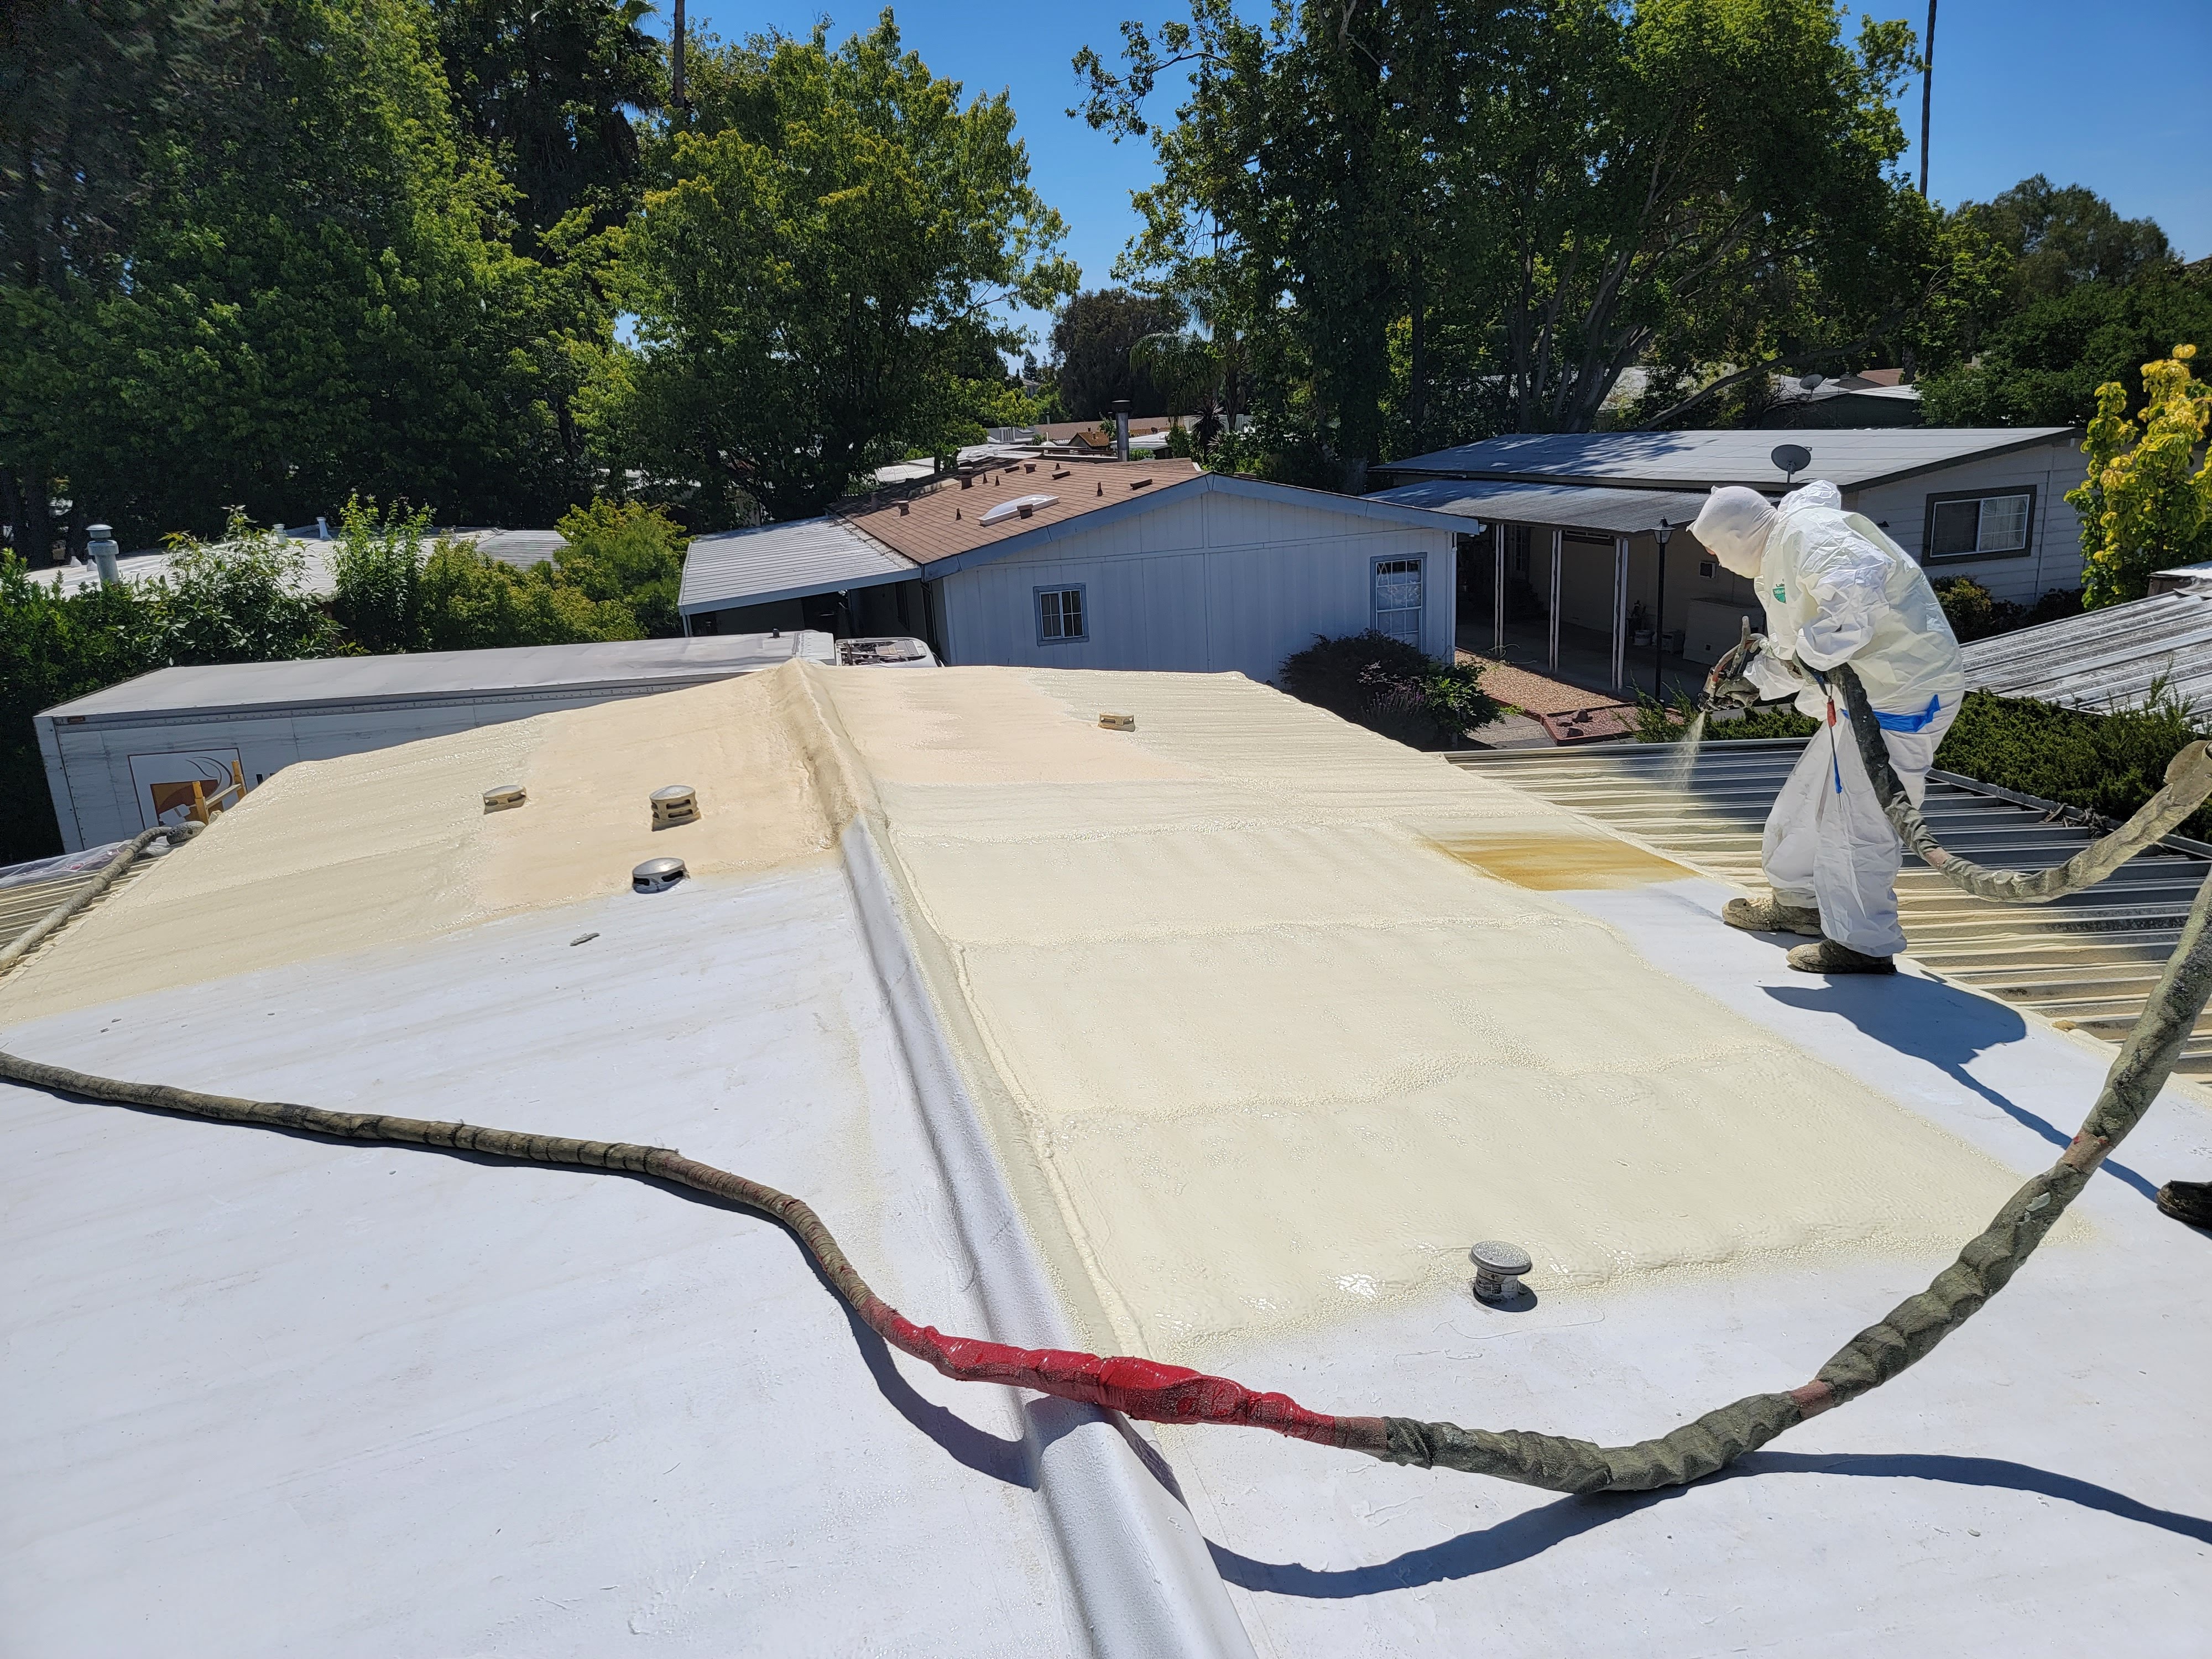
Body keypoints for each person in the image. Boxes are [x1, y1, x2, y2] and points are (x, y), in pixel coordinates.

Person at [1691, 481, 1965, 975]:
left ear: (1734, 536)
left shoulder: (1807, 532)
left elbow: (1858, 588)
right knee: (1808, 797)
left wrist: (1804, 660)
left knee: (1859, 819)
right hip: (1866, 696)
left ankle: (1863, 944)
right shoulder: (1782, 556)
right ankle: (1800, 903)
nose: (1715, 557)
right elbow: (1800, 648)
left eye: (1713, 548)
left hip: (1900, 696)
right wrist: (1755, 679)